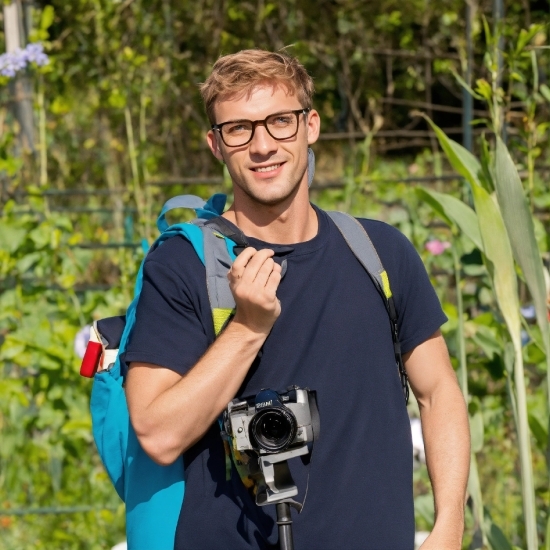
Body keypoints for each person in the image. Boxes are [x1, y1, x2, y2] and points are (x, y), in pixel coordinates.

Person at [124, 49, 470, 550]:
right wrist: (246, 328)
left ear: (311, 126)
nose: (262, 145)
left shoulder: (380, 253)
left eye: (280, 122)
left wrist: (449, 529)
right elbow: (157, 433)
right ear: (216, 145)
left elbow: (439, 393)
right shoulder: (183, 266)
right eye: (239, 129)